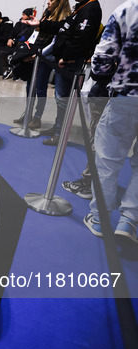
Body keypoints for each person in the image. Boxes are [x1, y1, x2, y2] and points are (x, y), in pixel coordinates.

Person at [83, 0, 138, 244]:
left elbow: (103, 56)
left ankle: (99, 219)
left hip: (126, 95)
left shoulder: (128, 9)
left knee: (107, 159)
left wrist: (102, 75)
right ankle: (129, 221)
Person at [38, 0, 102, 146]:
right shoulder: (82, 8)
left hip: (69, 62)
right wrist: (41, 24)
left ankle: (59, 134)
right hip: (65, 60)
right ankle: (57, 128)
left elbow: (82, 38)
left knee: (63, 99)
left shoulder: (91, 8)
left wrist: (66, 57)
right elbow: (63, 27)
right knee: (60, 98)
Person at [12, 0, 71, 129]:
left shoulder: (63, 19)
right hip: (35, 54)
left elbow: (55, 43)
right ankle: (27, 113)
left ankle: (37, 117)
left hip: (46, 57)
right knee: (29, 86)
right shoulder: (46, 14)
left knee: (40, 87)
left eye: (51, 0)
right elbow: (36, 34)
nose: (48, 2)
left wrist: (38, 55)